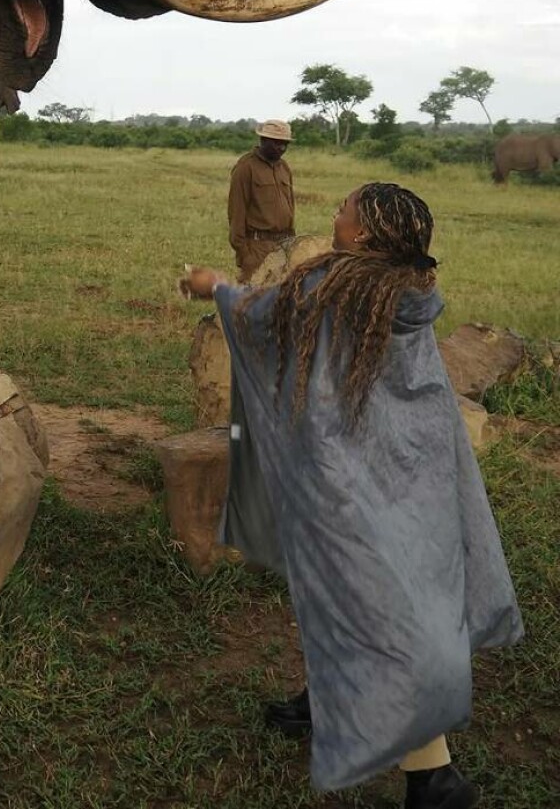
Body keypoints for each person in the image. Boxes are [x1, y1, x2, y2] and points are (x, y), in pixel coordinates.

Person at [179, 182, 522, 808]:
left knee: (379, 607)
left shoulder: (333, 288)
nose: (335, 212)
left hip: (346, 478)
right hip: (415, 472)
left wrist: (215, 287)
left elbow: (259, 317)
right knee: (362, 590)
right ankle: (324, 696)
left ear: (363, 233)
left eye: (345, 207)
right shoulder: (411, 292)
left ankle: (434, 777)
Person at [228, 119, 295, 282]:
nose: (282, 148)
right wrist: (245, 253)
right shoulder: (246, 167)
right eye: (276, 143)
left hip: (284, 245)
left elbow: (291, 206)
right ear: (263, 140)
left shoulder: (284, 167)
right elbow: (236, 212)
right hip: (257, 247)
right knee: (255, 294)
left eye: (285, 144)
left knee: (281, 293)